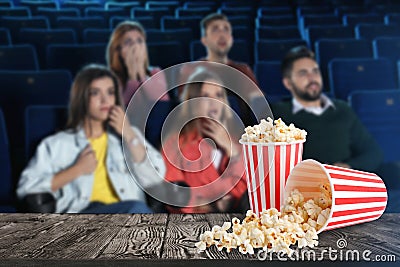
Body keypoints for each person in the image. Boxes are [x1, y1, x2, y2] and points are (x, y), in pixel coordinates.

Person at [17, 64, 166, 213]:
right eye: (95, 93)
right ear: (82, 98)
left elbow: (156, 180)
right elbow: (27, 188)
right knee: (138, 212)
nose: (105, 100)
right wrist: (76, 170)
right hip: (83, 220)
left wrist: (128, 134)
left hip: (127, 215)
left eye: (110, 93)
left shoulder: (129, 135)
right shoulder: (57, 144)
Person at [271, 46, 383, 172]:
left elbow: (373, 153)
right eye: (303, 73)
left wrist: (348, 167)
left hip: (341, 184)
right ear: (288, 83)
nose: (312, 78)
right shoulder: (278, 115)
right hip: (301, 186)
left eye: (315, 71)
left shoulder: (342, 110)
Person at [162, 67, 248, 213]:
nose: (214, 102)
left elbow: (249, 185)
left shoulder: (239, 140)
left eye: (219, 95)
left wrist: (232, 149)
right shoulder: (175, 143)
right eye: (206, 96)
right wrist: (211, 204)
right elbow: (173, 193)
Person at [178, 13, 263, 124]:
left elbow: (259, 104)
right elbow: (185, 108)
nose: (222, 35)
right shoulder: (190, 69)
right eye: (215, 30)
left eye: (226, 30)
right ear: (204, 40)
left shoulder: (243, 70)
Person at [106, 20, 169, 108]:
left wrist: (141, 73)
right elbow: (122, 109)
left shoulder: (155, 72)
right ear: (118, 50)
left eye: (139, 41)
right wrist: (133, 77)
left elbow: (162, 103)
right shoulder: (110, 78)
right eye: (128, 42)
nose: (135, 47)